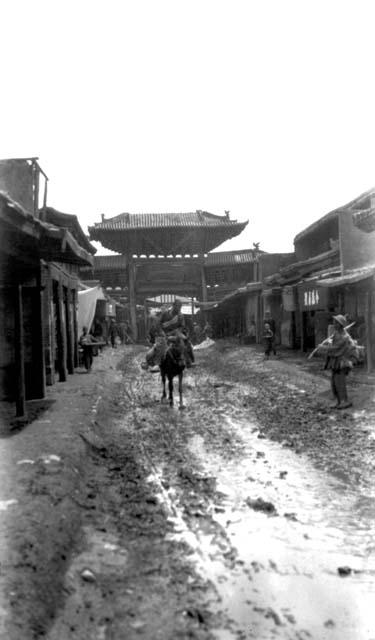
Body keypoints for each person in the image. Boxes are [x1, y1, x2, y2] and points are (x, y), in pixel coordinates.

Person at [319, 314, 358, 409]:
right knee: (334, 382)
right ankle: (337, 400)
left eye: (336, 323)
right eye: (334, 322)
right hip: (336, 361)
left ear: (340, 325)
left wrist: (323, 347)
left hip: (343, 362)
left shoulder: (344, 336)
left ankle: (344, 401)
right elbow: (332, 343)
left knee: (340, 382)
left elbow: (336, 348)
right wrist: (328, 342)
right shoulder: (336, 334)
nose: (334, 324)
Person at [142, 300, 186, 370]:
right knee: (161, 345)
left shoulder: (180, 316)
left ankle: (186, 361)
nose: (179, 309)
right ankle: (157, 363)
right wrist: (162, 332)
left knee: (183, 343)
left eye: (180, 307)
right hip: (163, 335)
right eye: (177, 307)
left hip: (174, 334)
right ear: (173, 306)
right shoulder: (165, 314)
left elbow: (182, 326)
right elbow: (158, 325)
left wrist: (177, 333)